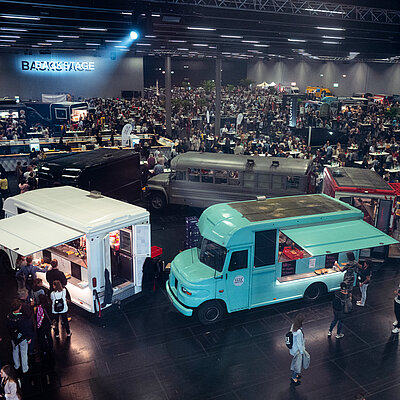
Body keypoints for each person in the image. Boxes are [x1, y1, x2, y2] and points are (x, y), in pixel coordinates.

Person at [6, 300, 32, 374]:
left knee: (15, 351)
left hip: (13, 338)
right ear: (20, 307)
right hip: (22, 338)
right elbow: (25, 329)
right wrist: (28, 338)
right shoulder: (22, 318)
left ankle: (16, 365)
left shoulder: (8, 316)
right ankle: (25, 368)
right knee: (23, 352)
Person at [289, 314, 310, 385]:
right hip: (297, 350)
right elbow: (299, 343)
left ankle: (294, 374)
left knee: (295, 362)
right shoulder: (299, 332)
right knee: (298, 365)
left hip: (293, 349)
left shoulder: (293, 326)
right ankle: (294, 377)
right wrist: (301, 352)